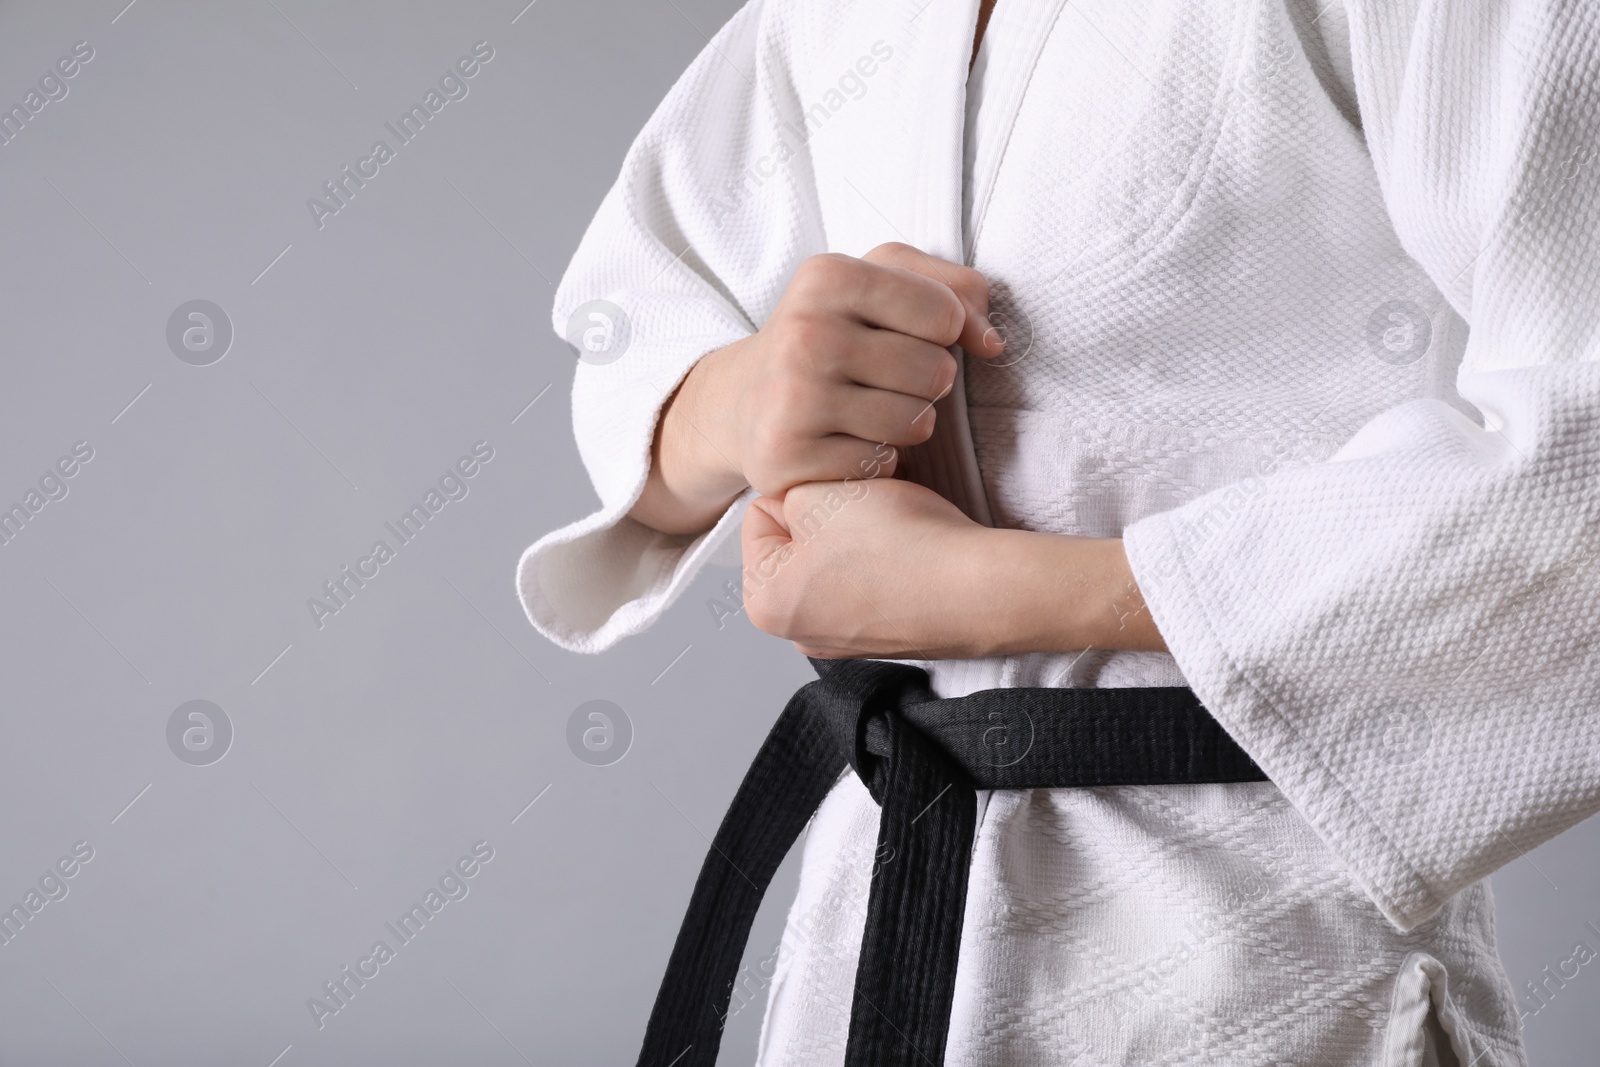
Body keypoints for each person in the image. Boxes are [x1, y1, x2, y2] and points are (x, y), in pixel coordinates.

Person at [518, 0, 1600, 1063]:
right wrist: (742, 399)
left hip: (1263, 958)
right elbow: (639, 321)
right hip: (886, 921)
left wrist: (999, 591)